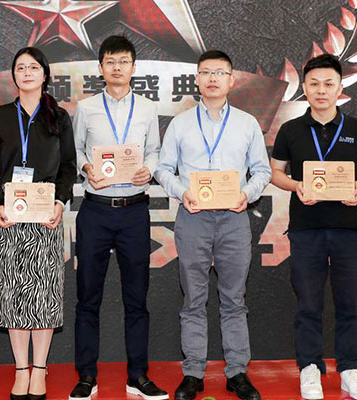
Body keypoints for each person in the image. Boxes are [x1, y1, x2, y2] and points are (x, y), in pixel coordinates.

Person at [154, 50, 271, 400]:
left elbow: (262, 170)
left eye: (219, 73)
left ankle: (237, 372)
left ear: (231, 80)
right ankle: (193, 372)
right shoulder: (181, 123)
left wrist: (246, 195)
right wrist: (182, 192)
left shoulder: (247, 124)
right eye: (206, 72)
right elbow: (163, 169)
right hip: (193, 218)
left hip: (234, 218)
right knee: (194, 298)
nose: (212, 79)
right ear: (197, 79)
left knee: (234, 298)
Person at [269, 54, 357, 400]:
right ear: (304, 88)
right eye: (314, 84)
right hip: (306, 229)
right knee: (308, 303)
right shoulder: (290, 130)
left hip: (351, 229)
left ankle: (350, 370)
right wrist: (296, 186)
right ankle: (309, 368)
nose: (321, 90)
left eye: (328, 84)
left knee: (350, 303)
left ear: (339, 88)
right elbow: (275, 172)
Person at [69, 35, 167, 400]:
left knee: (136, 298)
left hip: (134, 211)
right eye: (110, 61)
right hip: (95, 210)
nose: (117, 67)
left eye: (123, 61)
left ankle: (138, 376)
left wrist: (148, 170)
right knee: (87, 298)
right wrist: (86, 168)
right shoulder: (86, 107)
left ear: (133, 68)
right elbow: (76, 150)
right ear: (100, 68)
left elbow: (154, 150)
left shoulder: (147, 108)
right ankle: (86, 377)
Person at [0, 47, 77, 400]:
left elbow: (68, 166)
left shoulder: (59, 117)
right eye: (20, 67)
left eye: (33, 67)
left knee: (44, 296)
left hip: (45, 218)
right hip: (10, 218)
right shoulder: (1, 116)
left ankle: (40, 369)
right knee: (13, 295)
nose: (26, 73)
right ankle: (21, 368)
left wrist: (59, 202)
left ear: (44, 74)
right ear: (14, 75)